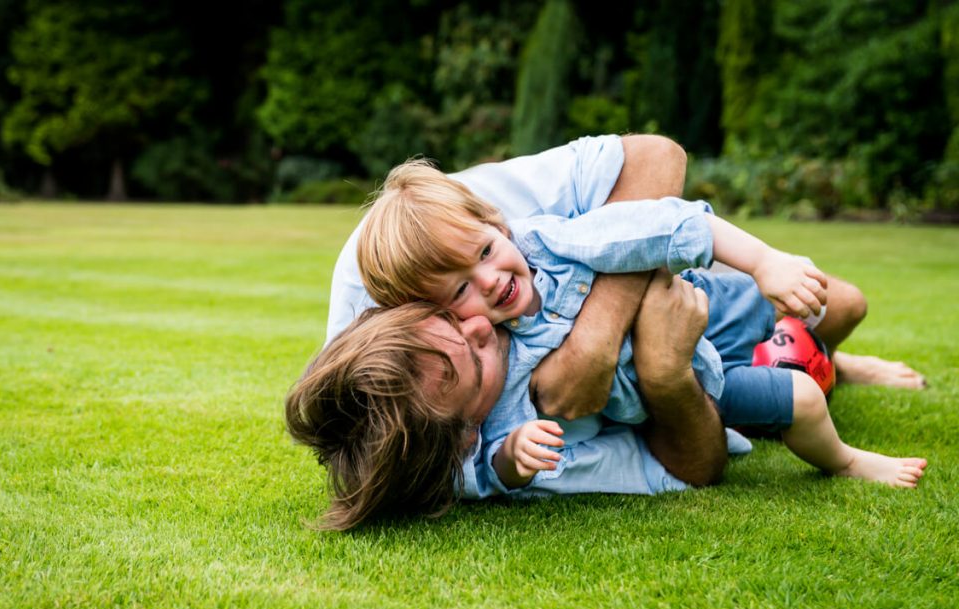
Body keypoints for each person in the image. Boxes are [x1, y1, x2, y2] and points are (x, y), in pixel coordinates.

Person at [353, 160, 927, 494]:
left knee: (837, 305)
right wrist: (513, 458)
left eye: (483, 249)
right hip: (702, 381)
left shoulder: (553, 244)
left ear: (495, 221)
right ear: (439, 315)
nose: (488, 281)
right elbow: (484, 462)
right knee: (800, 397)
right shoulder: (492, 366)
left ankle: (841, 364)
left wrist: (762, 262)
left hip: (705, 306)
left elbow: (662, 225)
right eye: (459, 291)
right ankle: (847, 458)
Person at [286, 271, 725, 529]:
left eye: (447, 317)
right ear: (468, 438)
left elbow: (655, 164)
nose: (478, 324)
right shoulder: (525, 455)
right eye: (477, 362)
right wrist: (664, 374)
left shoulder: (406, 265)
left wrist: (595, 340)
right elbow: (685, 468)